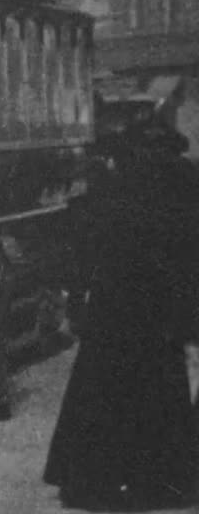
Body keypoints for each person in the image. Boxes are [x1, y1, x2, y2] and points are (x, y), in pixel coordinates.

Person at [43, 119, 199, 511]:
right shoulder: (183, 177)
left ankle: (88, 481)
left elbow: (88, 241)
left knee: (101, 388)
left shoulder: (118, 183)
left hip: (116, 301)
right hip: (160, 304)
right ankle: (161, 481)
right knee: (160, 389)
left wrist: (80, 296)